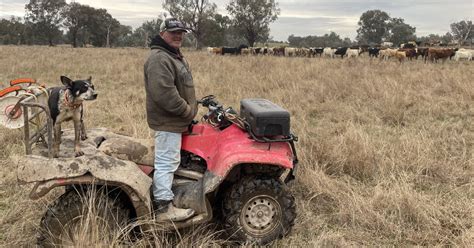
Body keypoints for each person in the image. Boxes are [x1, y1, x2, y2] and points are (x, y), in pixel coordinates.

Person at [144, 17, 198, 221]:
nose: (178, 36)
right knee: (167, 162)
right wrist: (187, 111)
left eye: (181, 32)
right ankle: (163, 208)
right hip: (168, 122)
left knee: (173, 160)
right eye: (173, 32)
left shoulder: (172, 56)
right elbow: (164, 94)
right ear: (162, 34)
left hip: (176, 121)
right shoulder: (160, 58)